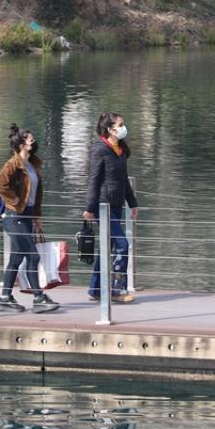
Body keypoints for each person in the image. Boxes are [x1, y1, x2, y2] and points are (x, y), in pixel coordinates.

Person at [0, 124, 60, 314]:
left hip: (27, 216)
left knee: (16, 258)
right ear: (21, 144)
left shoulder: (32, 164)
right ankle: (38, 297)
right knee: (33, 255)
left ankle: (5, 299)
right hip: (13, 217)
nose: (33, 140)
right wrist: (12, 198)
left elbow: (36, 194)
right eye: (30, 138)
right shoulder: (13, 164)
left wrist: (37, 215)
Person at [83, 111, 138, 303]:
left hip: (116, 205)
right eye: (120, 124)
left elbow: (123, 179)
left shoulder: (120, 149)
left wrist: (133, 204)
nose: (123, 128)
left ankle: (95, 289)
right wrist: (90, 208)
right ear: (110, 129)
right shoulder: (100, 149)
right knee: (122, 244)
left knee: (108, 246)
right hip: (101, 205)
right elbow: (94, 179)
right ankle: (117, 289)